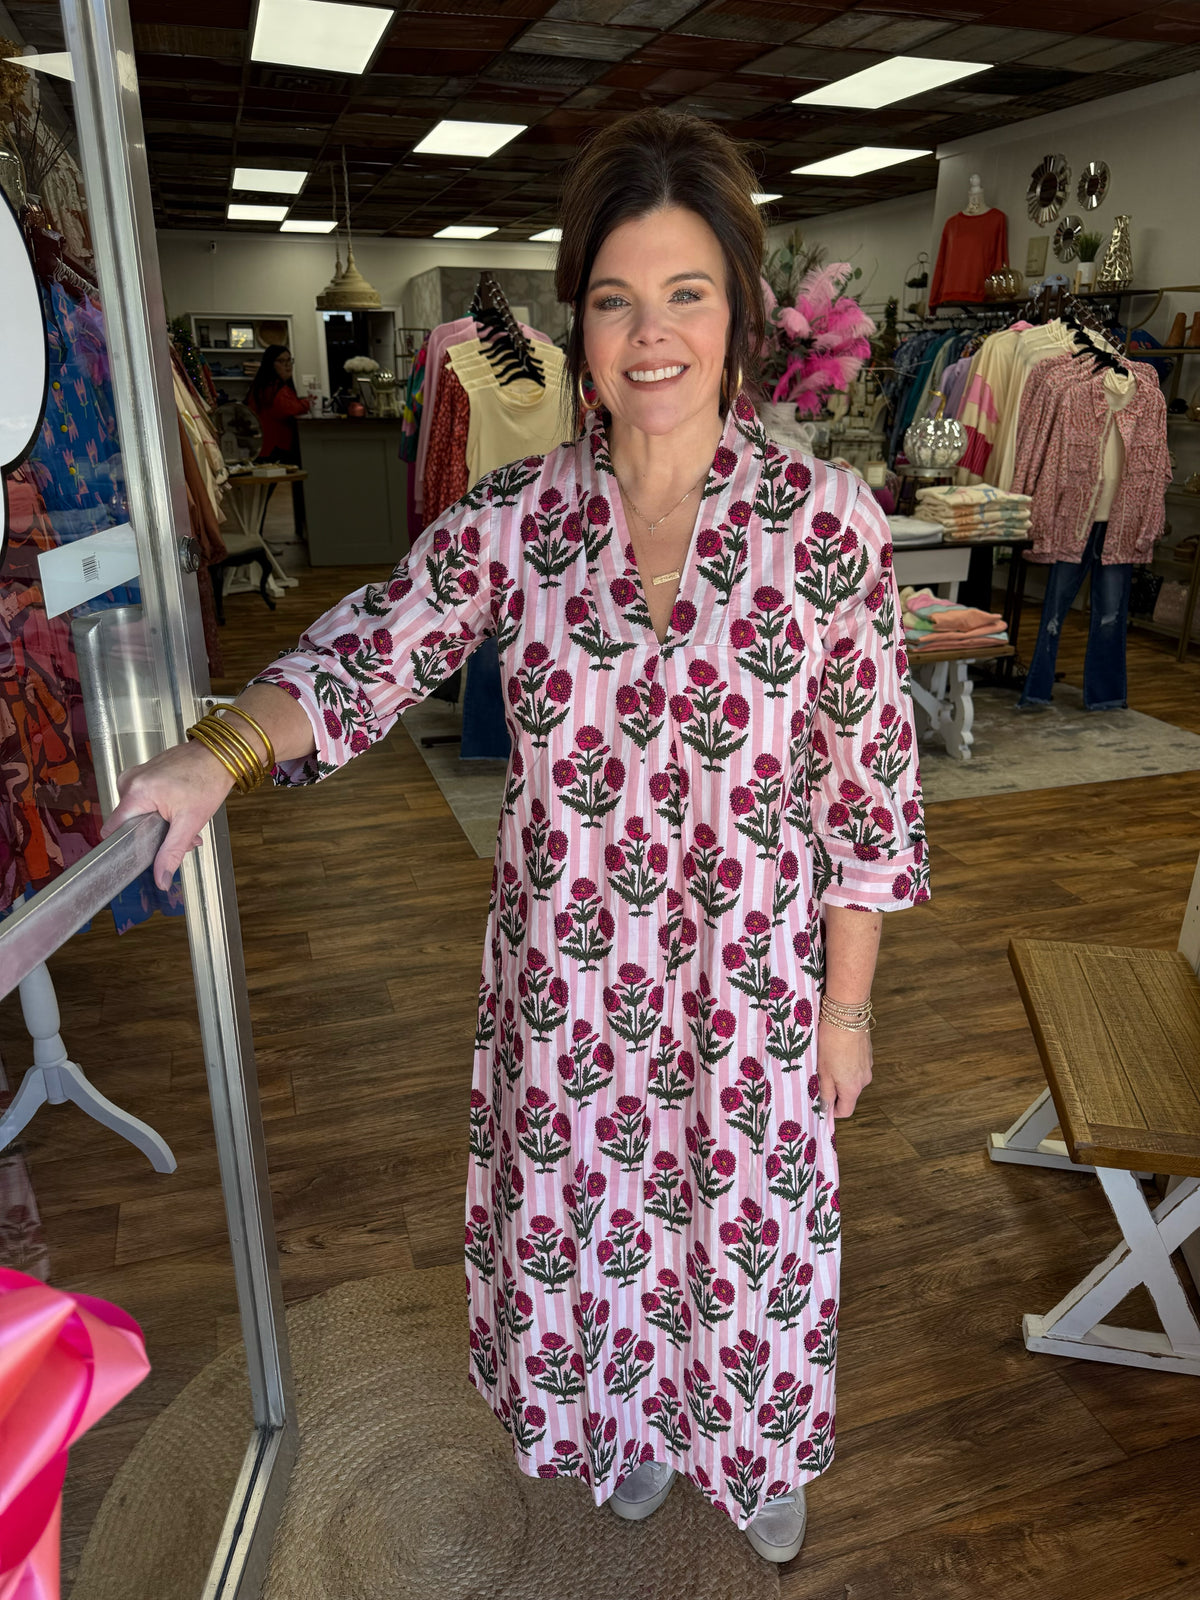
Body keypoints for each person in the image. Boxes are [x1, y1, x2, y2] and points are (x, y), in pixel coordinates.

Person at [104, 109, 928, 1565]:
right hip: (573, 989)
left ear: (737, 317)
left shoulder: (827, 527)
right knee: (594, 1229)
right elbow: (369, 652)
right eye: (615, 299)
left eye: (686, 294)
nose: (650, 333)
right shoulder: (516, 522)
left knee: (754, 1234)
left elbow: (864, 797)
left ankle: (755, 1439)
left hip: (754, 988)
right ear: (578, 327)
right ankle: (632, 1423)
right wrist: (217, 752)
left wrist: (846, 1011)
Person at [246, 343, 309, 537]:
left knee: (260, 501)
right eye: (281, 361)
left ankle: (257, 539)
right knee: (260, 501)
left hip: (265, 449)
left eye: (289, 360)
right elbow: (287, 409)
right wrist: (307, 403)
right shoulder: (272, 387)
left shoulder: (268, 385)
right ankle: (256, 540)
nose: (287, 365)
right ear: (271, 364)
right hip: (270, 451)